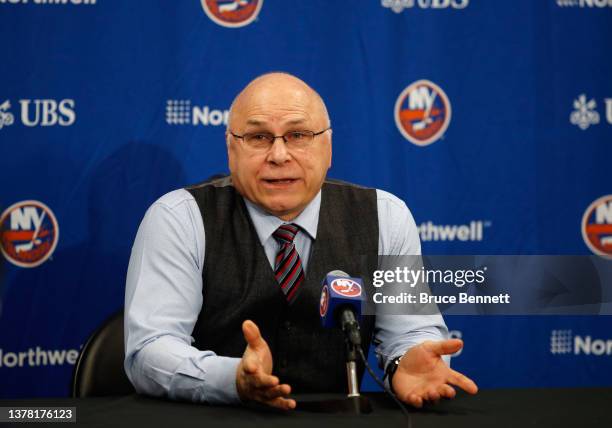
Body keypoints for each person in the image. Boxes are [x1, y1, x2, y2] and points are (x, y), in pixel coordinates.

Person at [124, 72, 478, 410]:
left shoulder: (386, 216)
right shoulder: (179, 217)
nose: (279, 155)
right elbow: (150, 350)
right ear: (231, 149)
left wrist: (405, 361)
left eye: (298, 136)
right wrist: (231, 379)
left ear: (328, 147)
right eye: (259, 137)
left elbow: (410, 331)